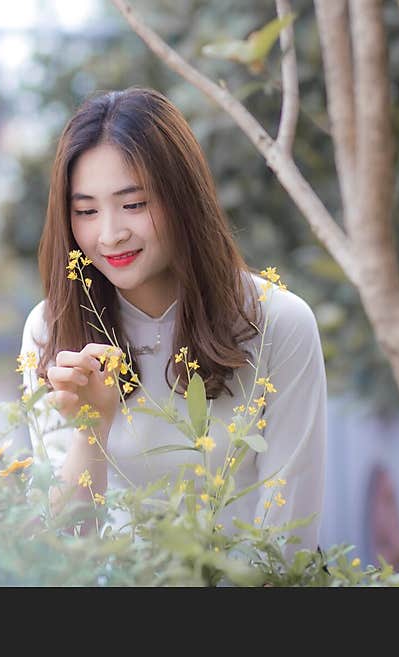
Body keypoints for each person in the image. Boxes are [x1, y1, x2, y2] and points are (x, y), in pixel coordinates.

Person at [19, 87, 326, 551]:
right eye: (85, 211)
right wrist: (92, 427)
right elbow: (61, 548)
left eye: (135, 204)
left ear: (183, 198)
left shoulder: (278, 323)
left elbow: (288, 539)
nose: (110, 234)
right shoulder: (51, 329)